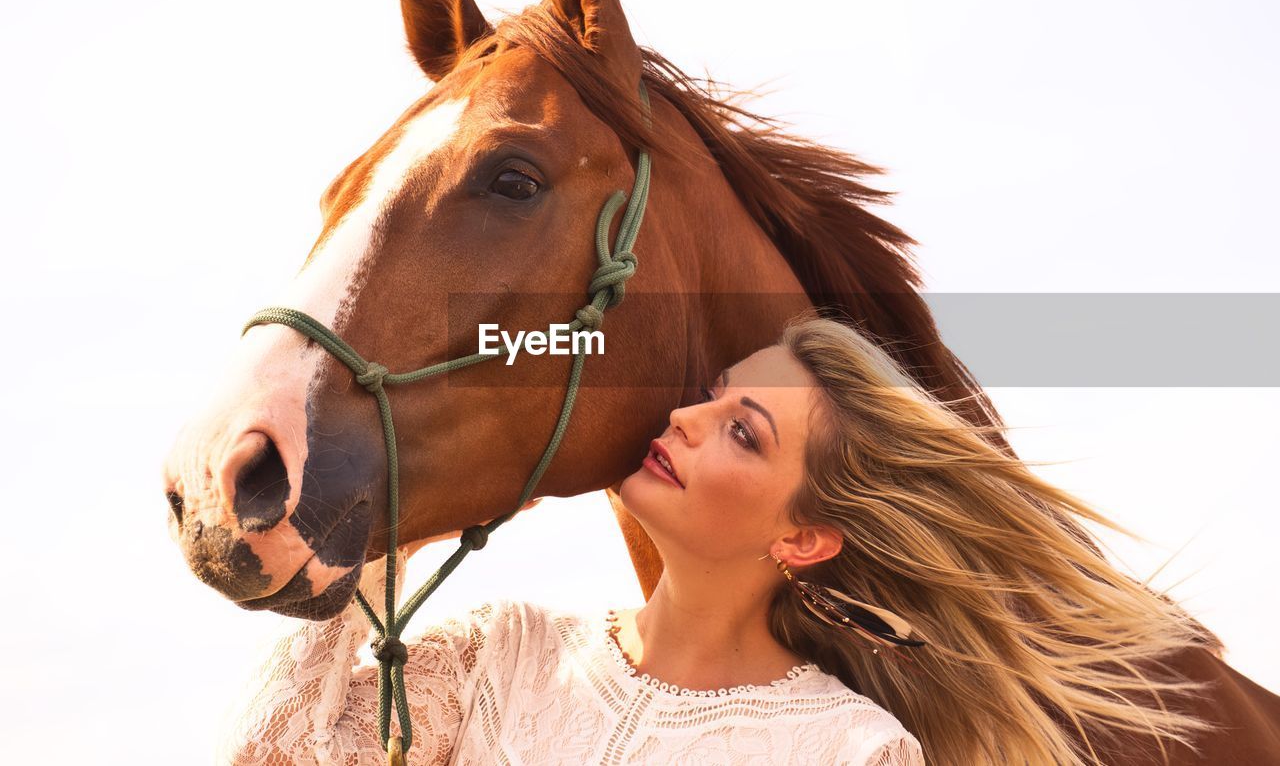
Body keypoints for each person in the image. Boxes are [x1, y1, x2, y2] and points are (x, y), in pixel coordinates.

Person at [219, 313, 1242, 764]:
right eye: (712, 397)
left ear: (802, 539)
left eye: (743, 432)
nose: (687, 419)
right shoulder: (502, 651)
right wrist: (399, 528)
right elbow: (271, 757)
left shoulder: (850, 749)